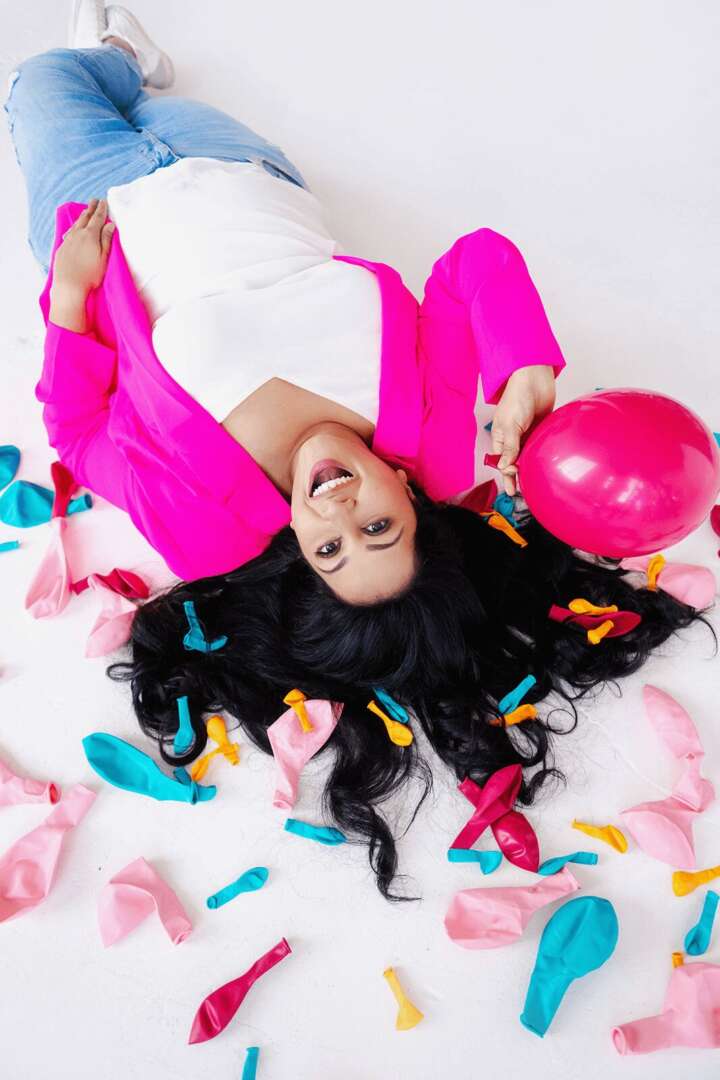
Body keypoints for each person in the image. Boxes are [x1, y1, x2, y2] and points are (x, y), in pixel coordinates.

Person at [6, 3, 708, 898]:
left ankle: (110, 55)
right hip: (240, 169)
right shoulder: (433, 442)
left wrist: (72, 296)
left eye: (329, 549)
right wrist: (523, 367)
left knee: (43, 82)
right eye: (378, 527)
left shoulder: (204, 526)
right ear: (414, 501)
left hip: (101, 214)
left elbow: (77, 429)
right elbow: (474, 264)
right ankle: (125, 68)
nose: (336, 509)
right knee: (140, 102)